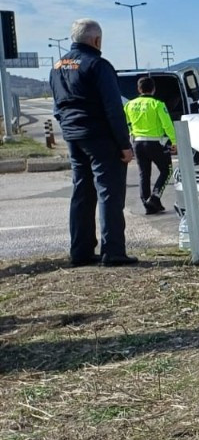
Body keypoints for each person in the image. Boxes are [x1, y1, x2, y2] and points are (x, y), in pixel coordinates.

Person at [49, 18, 137, 267]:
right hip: (100, 137)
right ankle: (114, 252)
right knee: (109, 193)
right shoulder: (98, 65)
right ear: (96, 40)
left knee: (82, 192)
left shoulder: (57, 66)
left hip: (73, 137)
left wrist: (68, 129)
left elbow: (57, 106)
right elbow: (113, 108)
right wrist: (124, 144)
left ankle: (81, 250)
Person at [124, 77, 177, 215]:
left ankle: (147, 203)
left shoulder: (129, 105)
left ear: (138, 89)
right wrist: (174, 141)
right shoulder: (157, 104)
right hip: (155, 142)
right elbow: (167, 124)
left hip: (137, 143)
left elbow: (126, 123)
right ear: (153, 89)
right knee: (167, 170)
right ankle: (155, 197)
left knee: (144, 174)